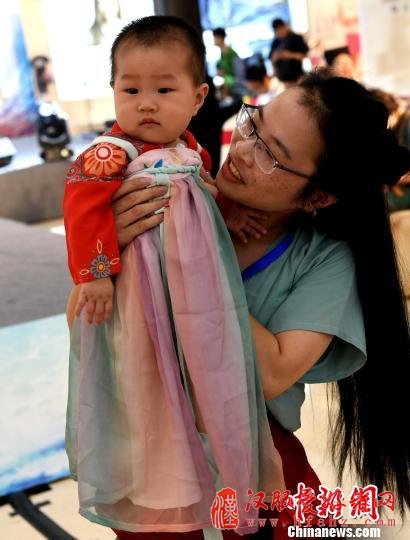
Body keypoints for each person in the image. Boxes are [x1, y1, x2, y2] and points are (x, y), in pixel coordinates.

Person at [67, 70, 410, 538]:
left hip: (254, 466)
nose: (243, 151)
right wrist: (102, 261)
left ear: (320, 196)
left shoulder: (325, 261)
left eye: (271, 155)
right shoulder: (171, 191)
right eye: (254, 124)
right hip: (150, 456)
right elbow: (85, 328)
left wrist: (194, 252)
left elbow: (271, 375)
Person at [65, 15, 279, 539]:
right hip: (143, 295)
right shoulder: (109, 154)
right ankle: (158, 467)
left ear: (199, 96)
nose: (145, 103)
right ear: (112, 89)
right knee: (144, 370)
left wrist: (229, 213)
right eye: (130, 88)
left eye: (164, 89)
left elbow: (204, 190)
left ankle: (211, 457)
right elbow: (81, 206)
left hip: (199, 292)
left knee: (206, 367)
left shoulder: (193, 151)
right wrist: (94, 273)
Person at [269, 18, 309, 88]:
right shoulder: (275, 42)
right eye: (277, 31)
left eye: (280, 29)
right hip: (284, 81)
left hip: (298, 78)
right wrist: (274, 59)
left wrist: (289, 55)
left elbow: (304, 56)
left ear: (285, 26)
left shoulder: (296, 38)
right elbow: (272, 61)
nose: (279, 32)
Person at [213, 27, 239, 95]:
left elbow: (237, 74)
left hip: (233, 86)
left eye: (215, 37)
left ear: (220, 38)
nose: (214, 40)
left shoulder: (231, 53)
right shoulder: (222, 53)